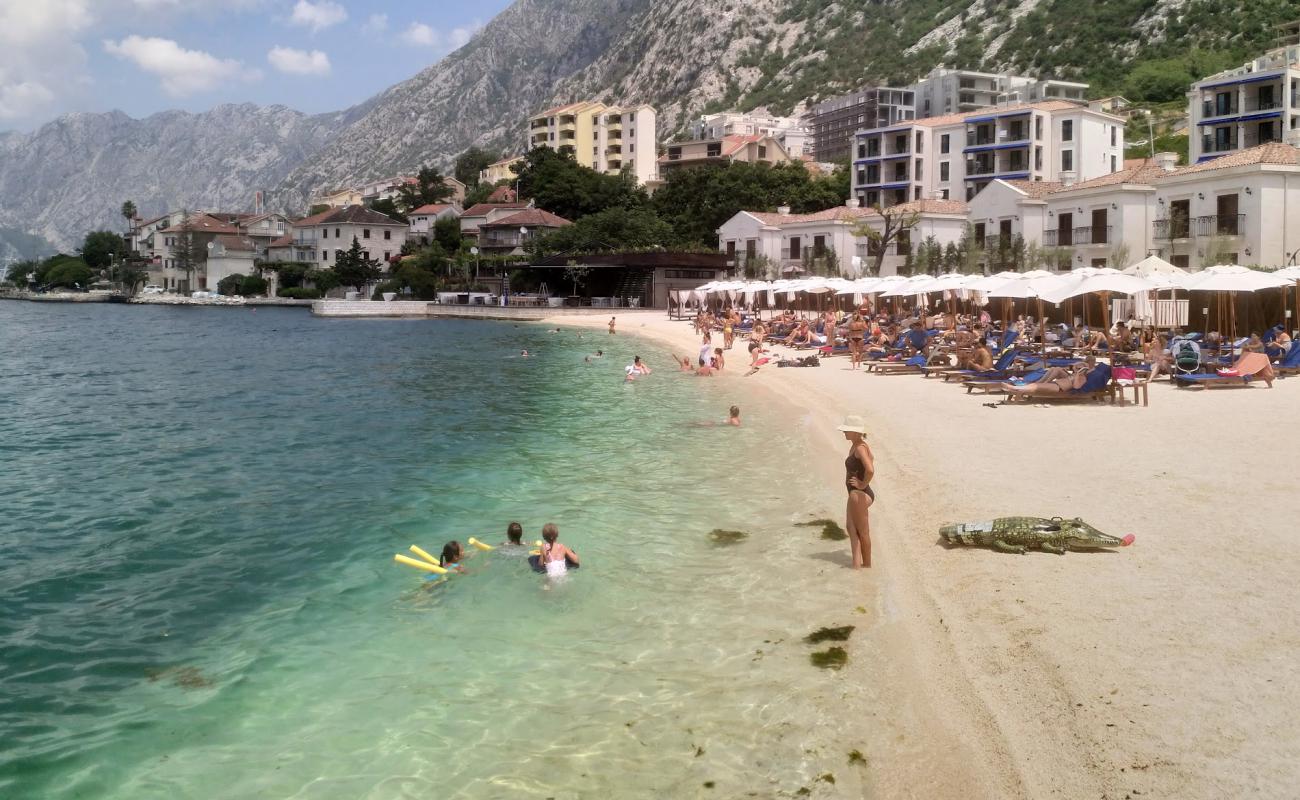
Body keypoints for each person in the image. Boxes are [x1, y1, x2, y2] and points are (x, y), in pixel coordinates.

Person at [838, 415, 875, 569]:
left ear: (854, 431)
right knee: (851, 529)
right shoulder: (856, 445)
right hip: (854, 494)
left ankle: (867, 566)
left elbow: (870, 470)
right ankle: (856, 567)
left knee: (863, 532)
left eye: (846, 430)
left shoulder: (860, 447)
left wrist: (862, 484)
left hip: (859, 494)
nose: (844, 432)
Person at [1000, 359, 1093, 400]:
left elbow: (1076, 387)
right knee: (1035, 386)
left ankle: (1014, 389)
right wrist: (1076, 371)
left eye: (1079, 368)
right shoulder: (1076, 374)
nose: (1076, 369)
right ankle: (1015, 389)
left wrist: (1077, 375)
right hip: (1056, 384)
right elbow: (1075, 367)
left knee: (1035, 386)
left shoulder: (1082, 378)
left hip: (1058, 388)